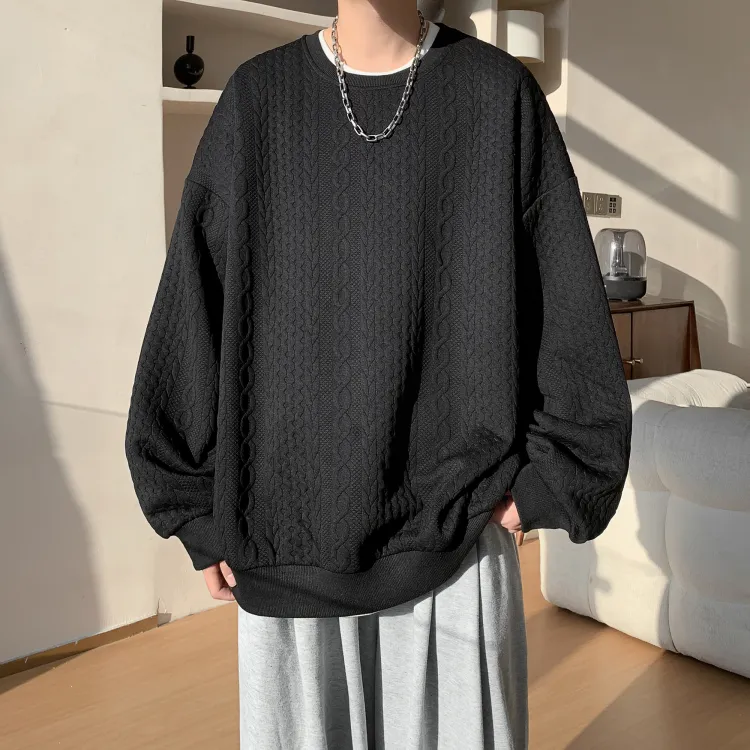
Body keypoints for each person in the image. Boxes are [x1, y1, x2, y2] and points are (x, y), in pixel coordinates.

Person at [124, 0, 632, 747]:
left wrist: (544, 485)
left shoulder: (498, 95)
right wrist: (193, 505)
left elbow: (567, 311)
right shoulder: (258, 100)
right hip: (286, 549)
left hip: (454, 546)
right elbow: (193, 306)